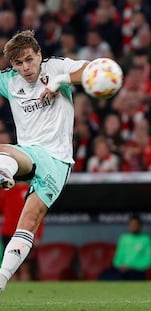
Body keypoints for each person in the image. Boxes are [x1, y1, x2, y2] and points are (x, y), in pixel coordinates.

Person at [0, 29, 89, 292]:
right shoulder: (9, 81)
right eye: (18, 63)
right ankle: (4, 172)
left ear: (39, 54)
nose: (25, 68)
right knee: (5, 149)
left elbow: (92, 71)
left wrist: (59, 81)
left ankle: (2, 278)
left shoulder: (57, 66)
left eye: (29, 59)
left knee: (29, 220)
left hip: (59, 161)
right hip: (30, 153)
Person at [99, 214, 151, 281]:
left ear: (140, 226)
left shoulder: (146, 239)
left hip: (137, 270)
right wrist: (120, 266)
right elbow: (117, 258)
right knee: (104, 275)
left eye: (135, 224)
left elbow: (148, 261)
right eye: (131, 224)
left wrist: (131, 266)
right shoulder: (124, 239)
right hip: (122, 269)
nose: (133, 226)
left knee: (126, 277)